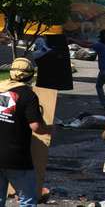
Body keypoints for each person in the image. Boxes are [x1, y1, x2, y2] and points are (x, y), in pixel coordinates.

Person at [0, 58, 52, 207]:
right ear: (30, 76)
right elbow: (36, 126)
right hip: (16, 158)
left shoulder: (1, 89)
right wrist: (48, 129)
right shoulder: (28, 95)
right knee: (27, 200)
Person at [69, 30, 105, 110]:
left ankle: (104, 105)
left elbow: (85, 44)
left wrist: (73, 40)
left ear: (101, 37)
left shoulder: (99, 45)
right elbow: (89, 42)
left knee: (99, 86)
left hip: (104, 71)